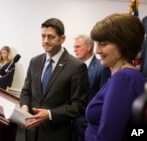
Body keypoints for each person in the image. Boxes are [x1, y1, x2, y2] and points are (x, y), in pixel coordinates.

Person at [19, 18, 89, 141]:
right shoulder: (34, 61)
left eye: (51, 37)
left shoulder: (76, 67)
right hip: (31, 132)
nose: (45, 41)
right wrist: (24, 107)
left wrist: (50, 114)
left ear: (62, 39)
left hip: (57, 134)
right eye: (43, 36)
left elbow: (79, 106)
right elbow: (26, 91)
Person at [85, 13, 146, 141]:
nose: (97, 50)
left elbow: (109, 136)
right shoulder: (127, 75)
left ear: (123, 44)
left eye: (103, 43)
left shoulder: (123, 78)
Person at [72, 34, 111, 141]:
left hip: (89, 125)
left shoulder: (102, 67)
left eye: (77, 47)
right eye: (74, 47)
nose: (74, 50)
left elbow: (103, 98)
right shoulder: (74, 67)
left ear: (88, 47)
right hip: (73, 123)